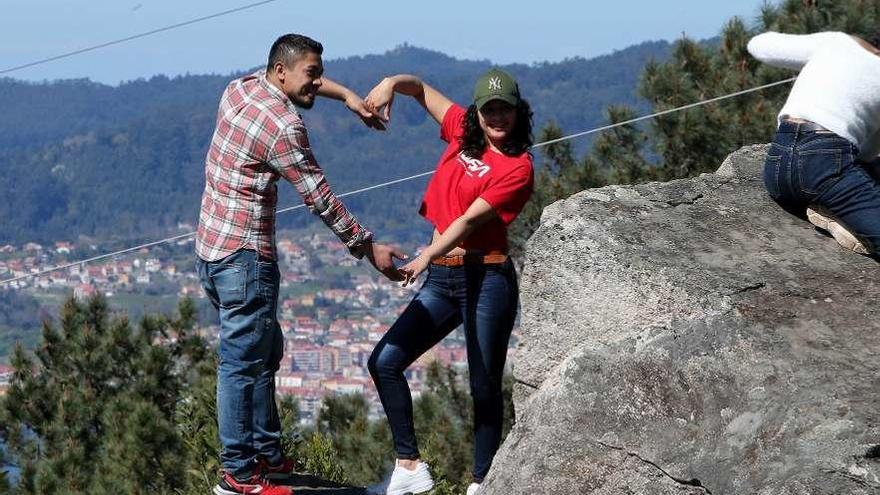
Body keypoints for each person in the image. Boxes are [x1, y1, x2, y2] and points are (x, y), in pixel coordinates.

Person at [196, 33, 405, 495]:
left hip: (209, 252)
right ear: (281, 72)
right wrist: (368, 248)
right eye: (311, 74)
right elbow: (321, 199)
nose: (317, 83)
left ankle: (267, 455)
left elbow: (302, 84)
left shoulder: (240, 88)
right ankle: (240, 475)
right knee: (242, 365)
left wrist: (348, 95)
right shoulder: (284, 126)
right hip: (245, 258)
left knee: (265, 349)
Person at [363, 68, 534, 495]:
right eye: (489, 109)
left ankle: (483, 482)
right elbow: (418, 88)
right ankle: (409, 465)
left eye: (505, 110)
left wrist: (424, 257)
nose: (497, 117)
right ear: (476, 112)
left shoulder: (518, 167)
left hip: (487, 278)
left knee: (483, 386)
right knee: (383, 361)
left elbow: (467, 221)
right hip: (444, 279)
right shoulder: (460, 128)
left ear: (518, 114)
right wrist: (389, 84)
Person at [748, 30, 880, 255]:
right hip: (826, 167)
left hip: (777, 167)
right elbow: (867, 154)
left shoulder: (836, 41)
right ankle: (842, 212)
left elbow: (757, 45)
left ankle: (838, 209)